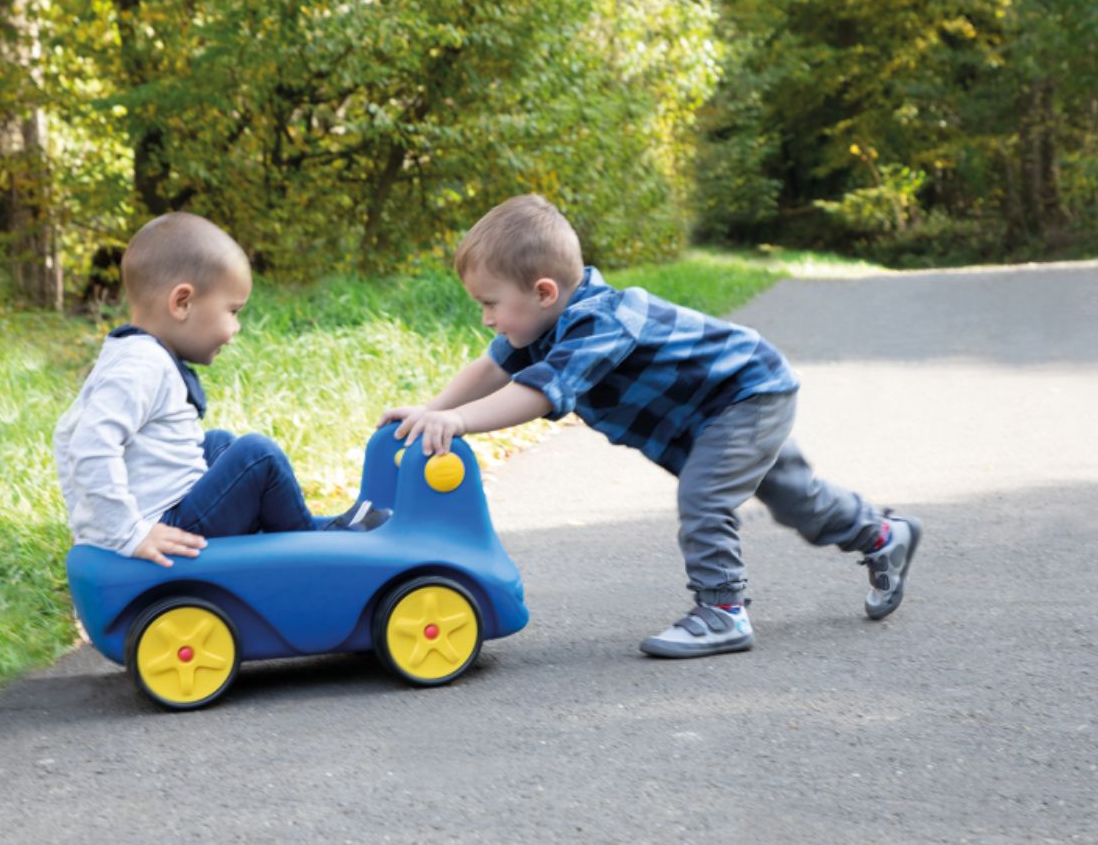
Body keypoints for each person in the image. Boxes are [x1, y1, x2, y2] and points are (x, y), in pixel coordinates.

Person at [380, 194, 922, 658]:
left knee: (705, 496)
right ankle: (881, 534)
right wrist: (432, 409)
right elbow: (493, 367)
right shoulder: (539, 328)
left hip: (745, 392)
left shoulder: (601, 323)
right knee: (794, 496)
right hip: (715, 410)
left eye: (490, 304)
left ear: (544, 292)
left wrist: (458, 421)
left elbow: (538, 392)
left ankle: (723, 611)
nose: (488, 319)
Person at [55, 212, 385, 568]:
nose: (236, 327)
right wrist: (127, 533)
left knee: (219, 444)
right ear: (182, 302)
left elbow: (67, 432)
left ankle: (290, 532)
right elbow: (88, 444)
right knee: (257, 457)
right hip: (165, 526)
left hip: (159, 508)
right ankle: (309, 554)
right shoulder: (142, 366)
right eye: (232, 311)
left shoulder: (132, 352)